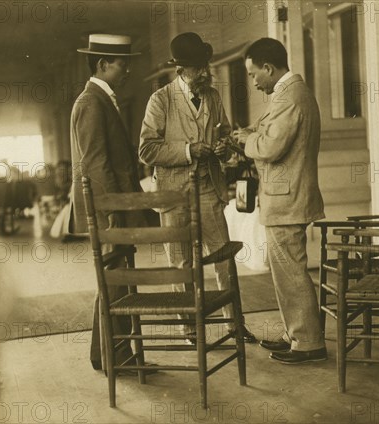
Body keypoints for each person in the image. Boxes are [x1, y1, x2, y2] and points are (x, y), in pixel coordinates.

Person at [139, 32, 256, 344]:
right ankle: (190, 328)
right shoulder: (160, 100)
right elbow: (147, 150)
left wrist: (223, 147)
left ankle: (235, 324)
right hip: (173, 194)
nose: (205, 73)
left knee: (223, 257)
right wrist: (189, 150)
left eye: (206, 66)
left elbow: (227, 134)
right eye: (198, 68)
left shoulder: (213, 97)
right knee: (182, 264)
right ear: (181, 70)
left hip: (208, 188)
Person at [233, 37, 327, 364]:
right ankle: (296, 333)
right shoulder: (288, 95)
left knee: (291, 272)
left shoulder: (291, 97)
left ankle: (309, 343)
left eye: (254, 74)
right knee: (286, 271)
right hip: (285, 196)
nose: (254, 81)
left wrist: (247, 139)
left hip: (287, 199)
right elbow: (273, 136)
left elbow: (271, 147)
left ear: (269, 68)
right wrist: (251, 135)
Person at [70, 34, 147, 371]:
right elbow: (95, 163)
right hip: (109, 210)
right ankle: (116, 355)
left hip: (115, 207)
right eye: (122, 63)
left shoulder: (102, 99)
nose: (127, 69)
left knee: (116, 282)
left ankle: (107, 354)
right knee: (115, 283)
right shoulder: (91, 102)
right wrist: (114, 211)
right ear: (102, 65)